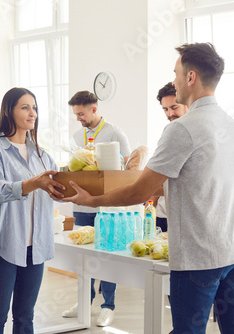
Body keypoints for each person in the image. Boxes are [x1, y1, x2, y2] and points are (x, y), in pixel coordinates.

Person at [62, 43, 234, 333]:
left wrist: (91, 200)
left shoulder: (182, 129)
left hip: (200, 257)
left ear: (191, 77)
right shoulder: (231, 124)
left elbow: (140, 191)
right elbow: (195, 184)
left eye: (176, 73)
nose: (173, 81)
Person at [0, 87, 65, 334]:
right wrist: (34, 183)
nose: (32, 113)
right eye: (25, 107)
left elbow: (55, 193)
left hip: (35, 247)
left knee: (26, 317)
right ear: (9, 111)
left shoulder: (42, 155)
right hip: (3, 245)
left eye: (35, 108)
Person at [62, 90, 131, 326]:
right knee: (83, 256)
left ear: (94, 108)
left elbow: (127, 169)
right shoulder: (75, 136)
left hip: (106, 206)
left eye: (81, 114)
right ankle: (84, 300)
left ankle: (108, 305)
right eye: (76, 115)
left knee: (106, 255)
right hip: (81, 205)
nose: (79, 119)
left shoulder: (114, 133)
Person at [149, 82, 189, 233]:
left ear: (186, 104)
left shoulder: (193, 130)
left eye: (174, 107)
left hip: (183, 217)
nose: (169, 114)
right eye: (165, 109)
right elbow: (158, 174)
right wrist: (152, 204)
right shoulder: (169, 130)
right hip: (163, 213)